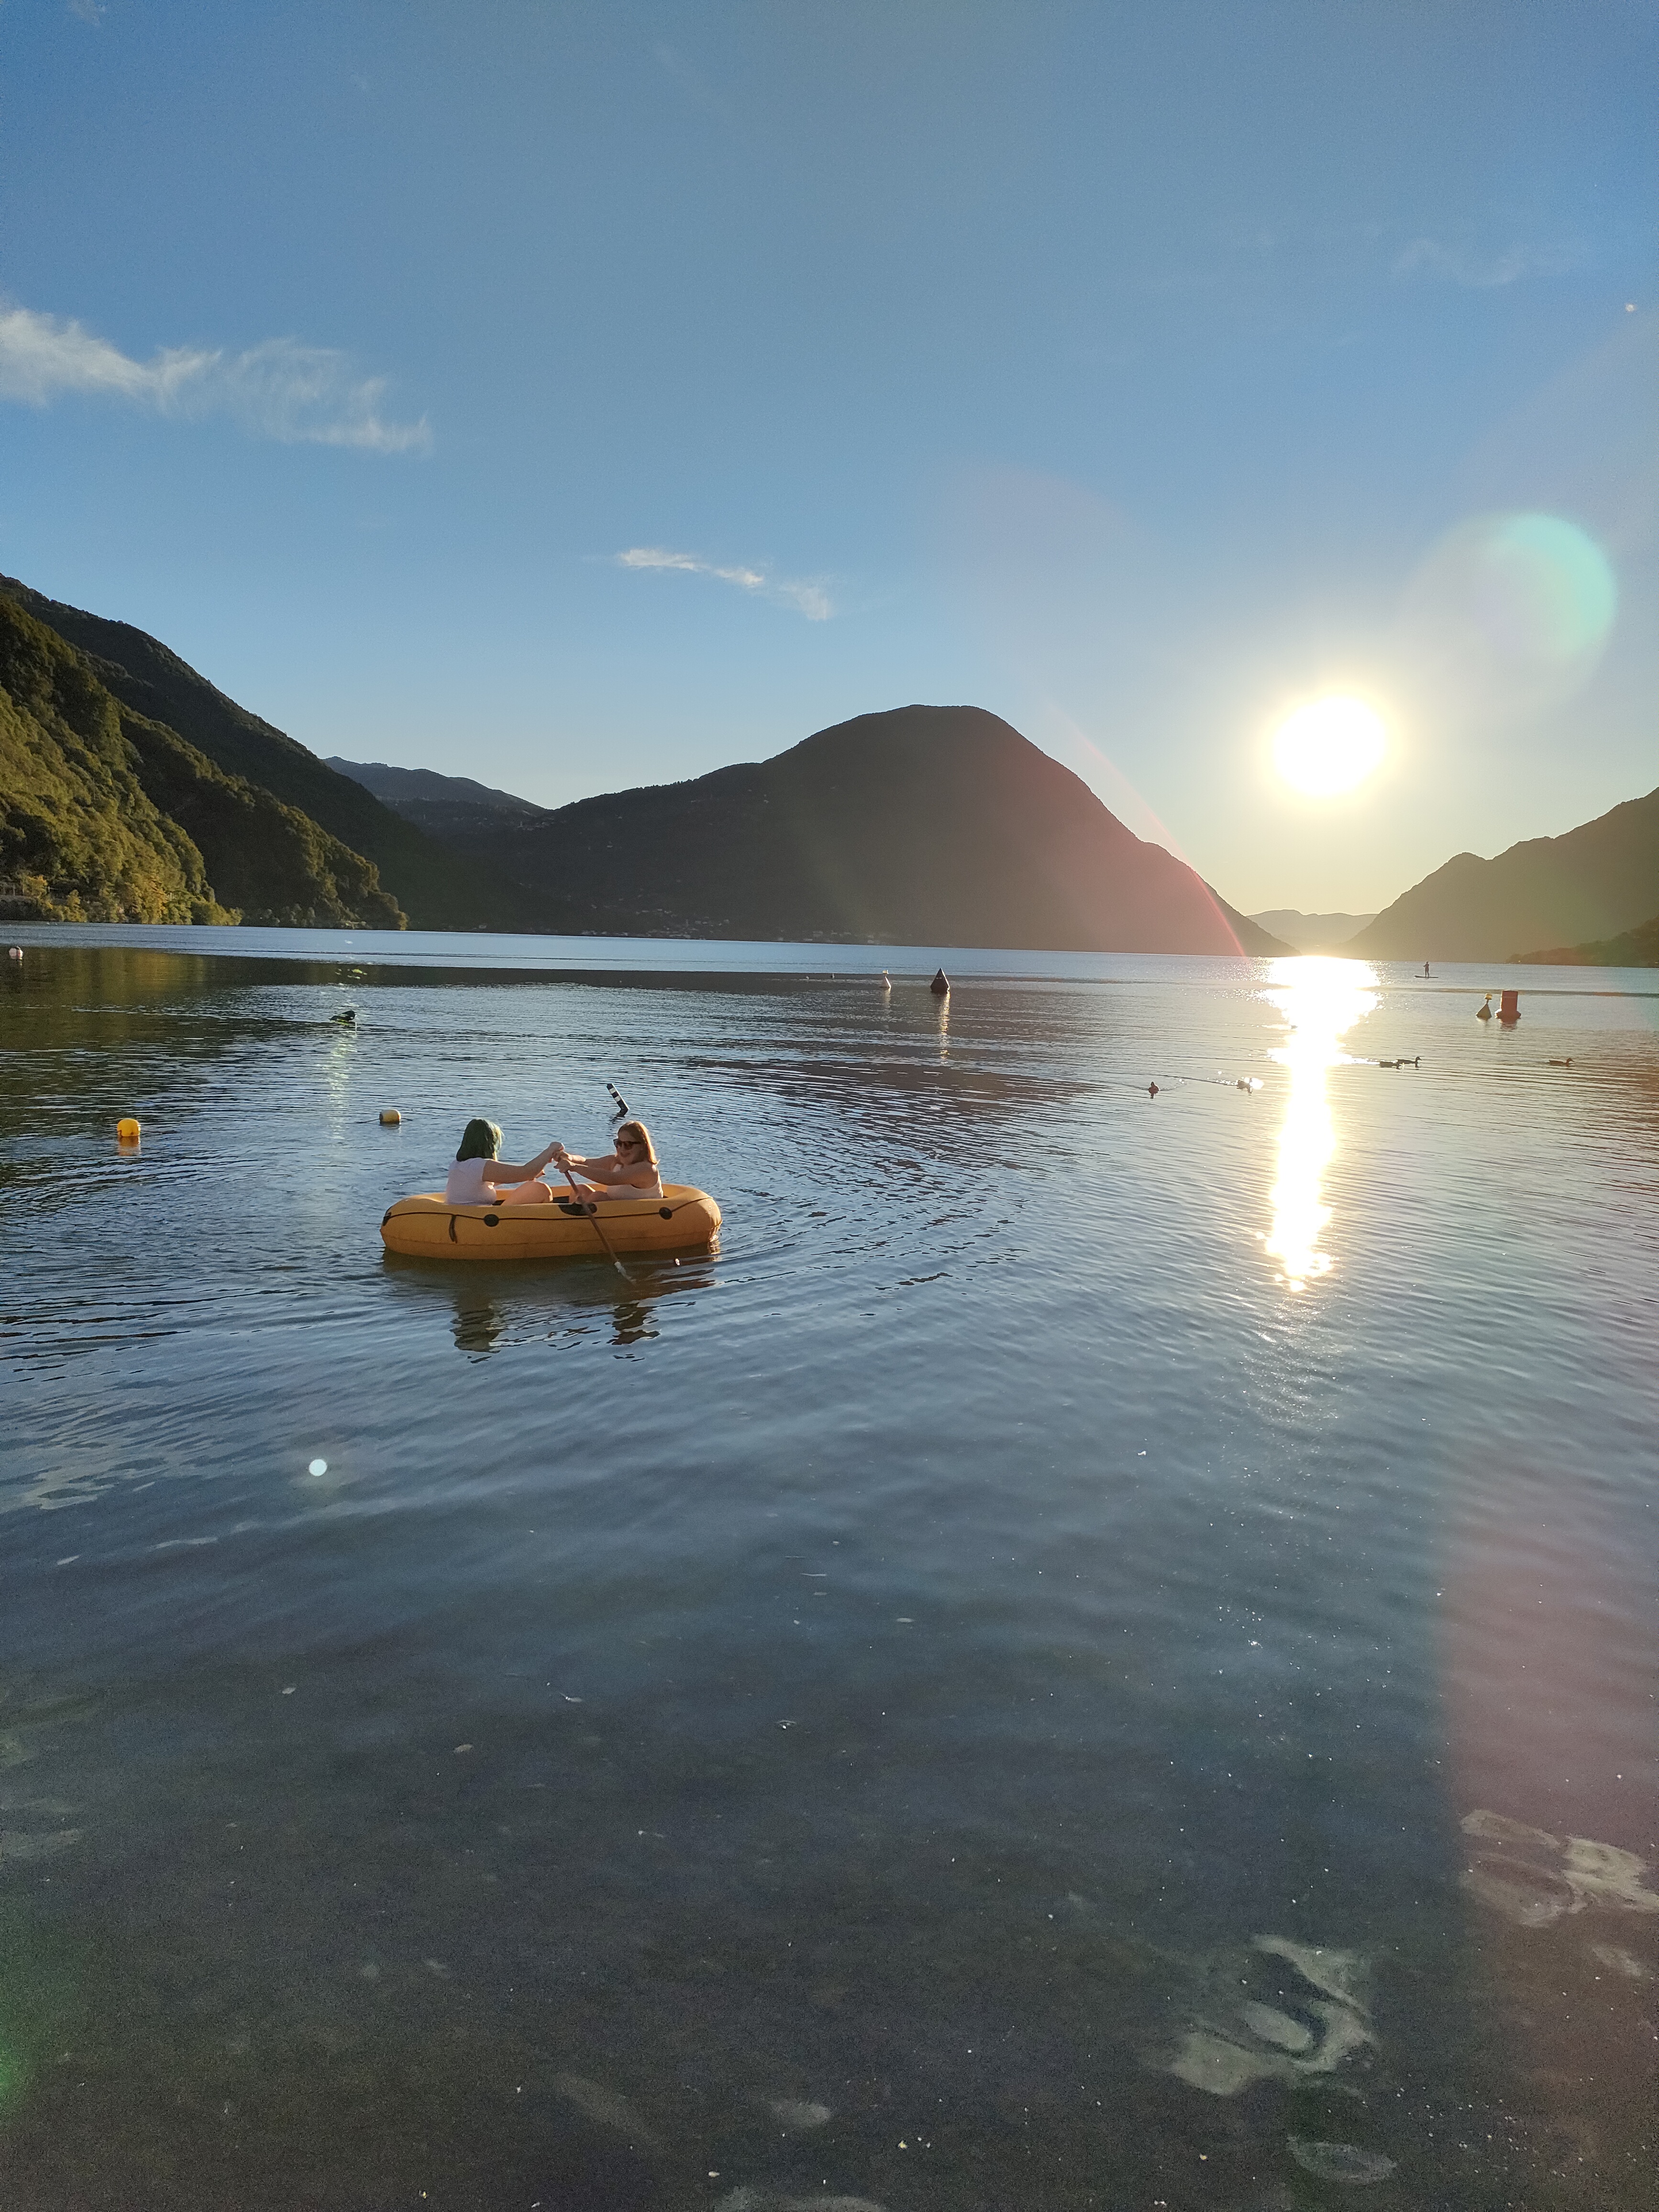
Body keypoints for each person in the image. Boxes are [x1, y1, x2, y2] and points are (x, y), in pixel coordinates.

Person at [444, 1118, 560, 1206]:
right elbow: (527, 1172)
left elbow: (478, 1185)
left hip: (465, 1216)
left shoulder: (458, 1165)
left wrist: (532, 1173)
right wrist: (550, 1151)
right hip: (480, 1220)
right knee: (540, 1189)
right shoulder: (480, 1165)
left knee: (531, 1185)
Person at [553, 1119, 664, 1201]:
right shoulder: (615, 1161)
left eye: (628, 1145)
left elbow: (612, 1179)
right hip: (618, 1212)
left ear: (642, 1146)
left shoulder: (646, 1169)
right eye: (619, 1143)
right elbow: (586, 1162)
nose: (622, 1149)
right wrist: (569, 1158)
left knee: (599, 1197)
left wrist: (573, 1167)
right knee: (581, 1189)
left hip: (642, 1215)